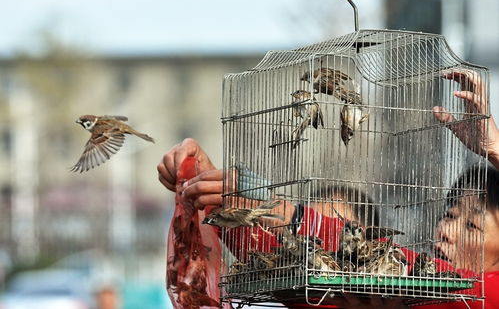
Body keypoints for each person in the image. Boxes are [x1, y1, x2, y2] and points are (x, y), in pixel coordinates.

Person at [157, 70, 499, 308]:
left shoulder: (482, 296)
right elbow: (286, 265)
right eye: (449, 215)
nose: (446, 231)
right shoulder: (379, 293)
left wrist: (494, 150)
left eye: (472, 225)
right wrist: (209, 185)